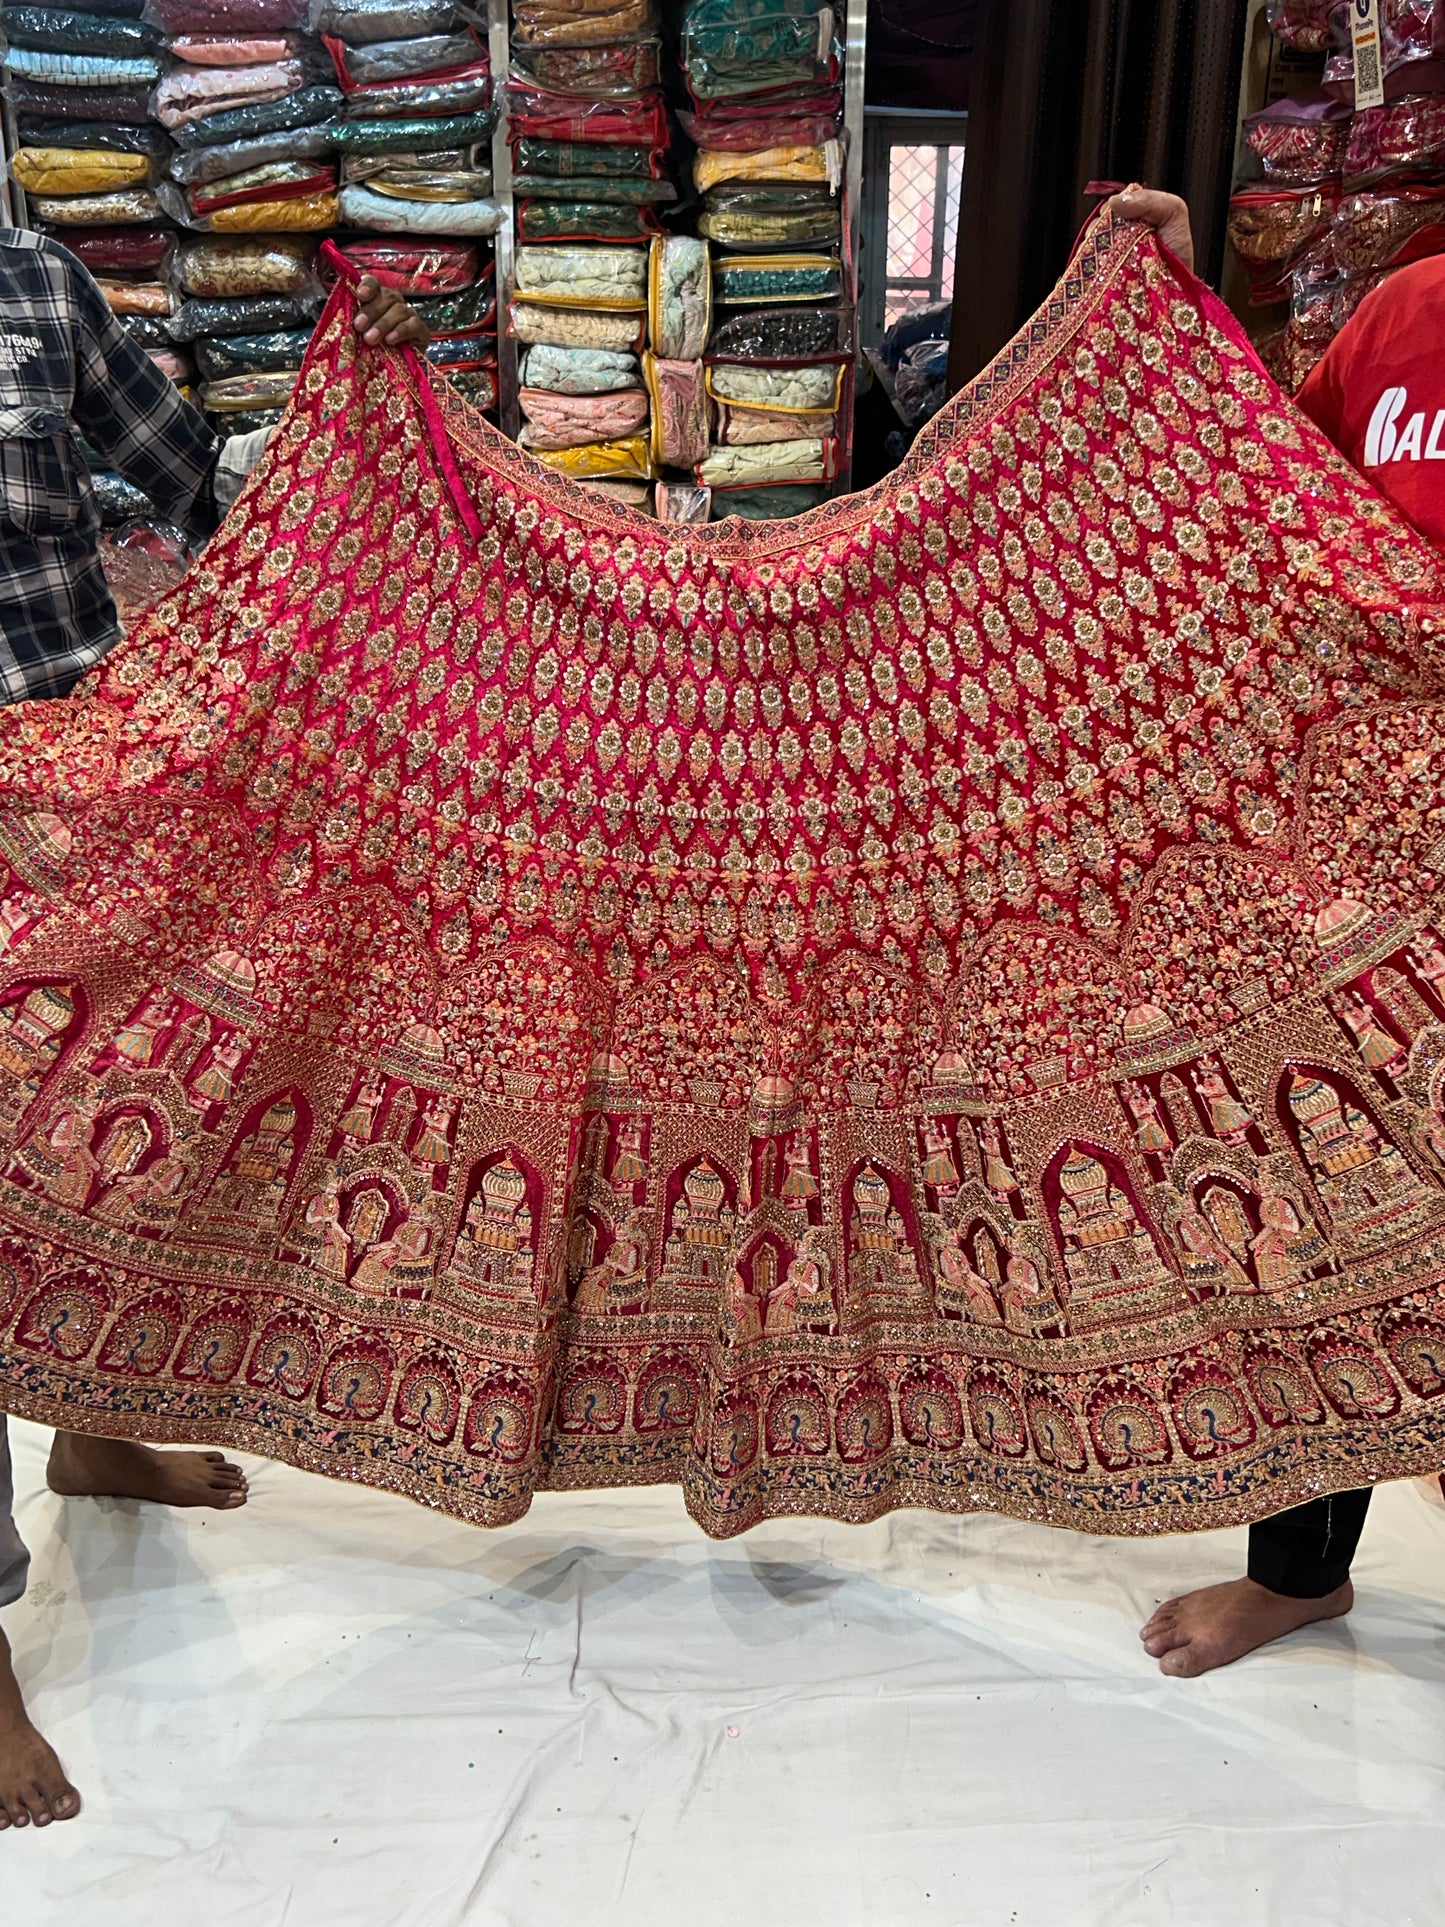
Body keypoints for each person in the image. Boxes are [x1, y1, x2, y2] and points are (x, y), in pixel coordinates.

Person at [0, 223, 428, 1829]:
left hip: (79, 793)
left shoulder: (31, 282)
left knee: (94, 1142)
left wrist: (368, 427)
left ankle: (94, 1434)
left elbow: (206, 492)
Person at [1107, 184, 1445, 1676]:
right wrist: (1165, 306)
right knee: (1336, 1194)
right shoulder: (1406, 312)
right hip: (1372, 863)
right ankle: (1303, 1569)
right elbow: (1260, 493)